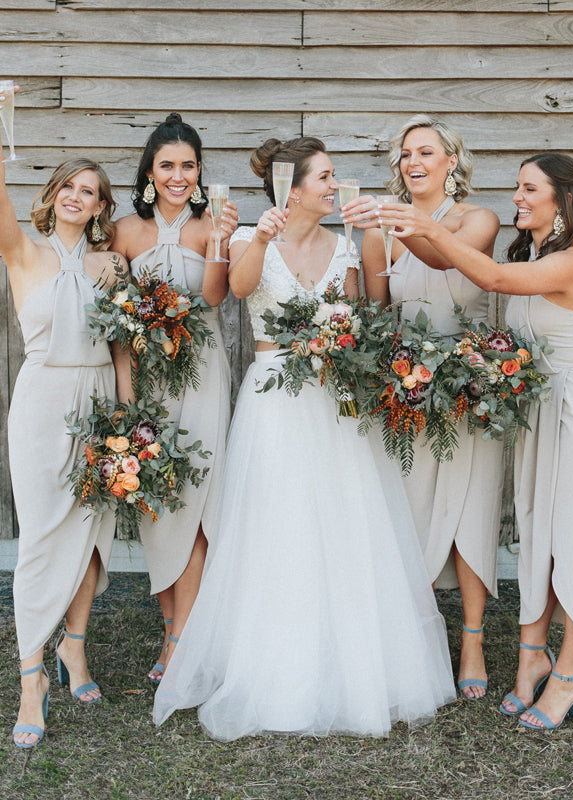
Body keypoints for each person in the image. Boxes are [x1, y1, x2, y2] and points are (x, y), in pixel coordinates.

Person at [153, 135, 456, 741]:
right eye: (324, 176)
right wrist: (262, 239)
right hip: (274, 399)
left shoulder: (345, 246)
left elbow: (358, 319)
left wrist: (344, 336)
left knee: (343, 520)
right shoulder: (251, 238)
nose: (333, 185)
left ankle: (348, 659)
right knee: (278, 522)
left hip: (332, 400)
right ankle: (275, 662)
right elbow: (239, 292)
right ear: (290, 190)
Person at [380, 152, 573, 730]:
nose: (517, 197)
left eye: (530, 189)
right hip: (536, 410)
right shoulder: (531, 256)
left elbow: (493, 279)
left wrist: (428, 227)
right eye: (517, 187)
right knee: (534, 531)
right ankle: (531, 659)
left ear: (564, 200)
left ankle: (570, 675)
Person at [342, 115, 503, 700]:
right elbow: (379, 314)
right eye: (405, 154)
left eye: (426, 152)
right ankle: (413, 636)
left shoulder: (477, 219)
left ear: (450, 162)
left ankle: (472, 642)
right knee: (408, 512)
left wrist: (397, 222)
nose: (413, 162)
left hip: (471, 385)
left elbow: (443, 260)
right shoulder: (380, 234)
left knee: (472, 511)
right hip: (409, 390)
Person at [0, 92, 132, 747]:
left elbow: (124, 342)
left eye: (91, 191)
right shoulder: (23, 253)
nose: (78, 197)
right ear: (52, 196)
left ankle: (73, 648)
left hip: (101, 399)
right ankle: (31, 681)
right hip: (42, 402)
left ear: (103, 206)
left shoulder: (112, 265)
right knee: (40, 538)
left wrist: (127, 412)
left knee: (92, 533)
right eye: (69, 187)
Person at [111, 113, 236, 683]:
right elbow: (115, 321)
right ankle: (173, 629)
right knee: (158, 499)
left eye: (188, 166)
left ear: (200, 170)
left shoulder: (212, 223)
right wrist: (126, 394)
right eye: (167, 166)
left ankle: (182, 641)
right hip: (148, 378)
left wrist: (220, 242)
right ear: (150, 171)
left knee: (199, 500)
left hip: (202, 371)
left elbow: (214, 297)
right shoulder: (123, 231)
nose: (178, 176)